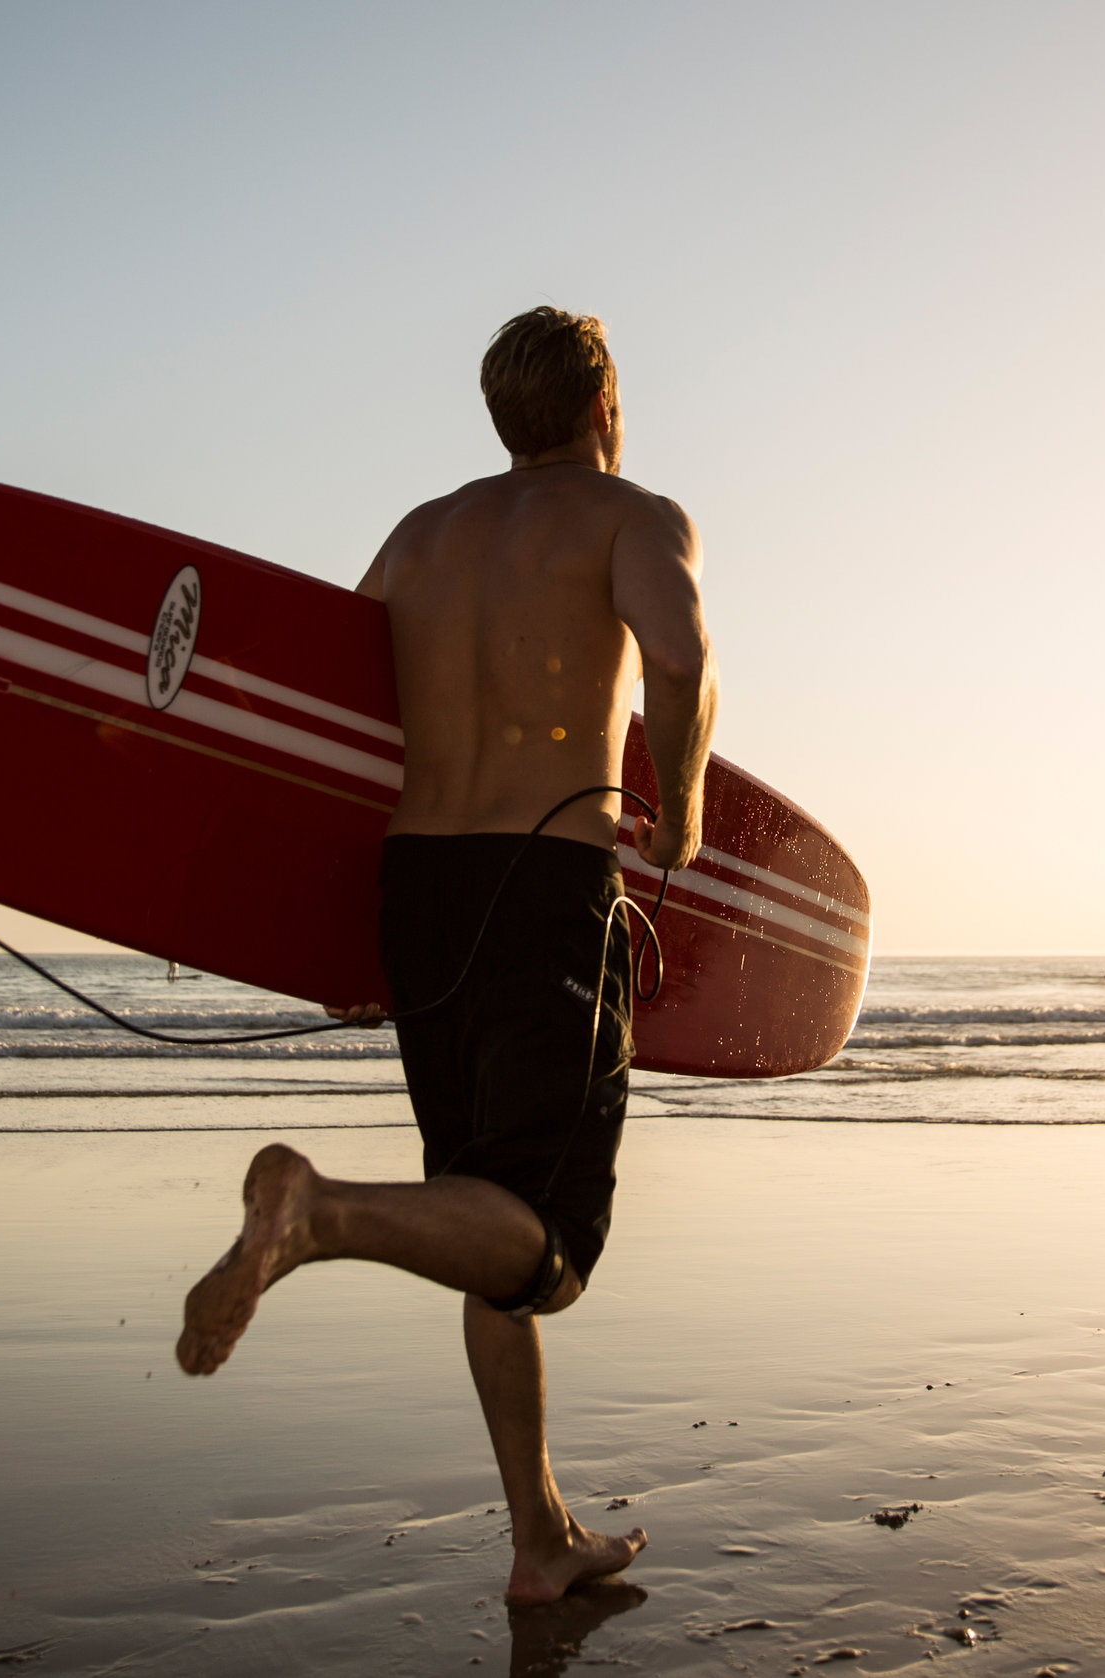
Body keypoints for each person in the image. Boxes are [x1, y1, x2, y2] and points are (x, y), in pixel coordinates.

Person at [175, 306, 716, 1606]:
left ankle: (539, 1536)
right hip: (544, 874)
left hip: (418, 881)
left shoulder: (418, 537)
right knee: (547, 1240)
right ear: (606, 402)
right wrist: (683, 815)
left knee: (478, 1214)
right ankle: (319, 1213)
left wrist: (327, 935)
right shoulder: (634, 516)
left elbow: (339, 733)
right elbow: (683, 660)